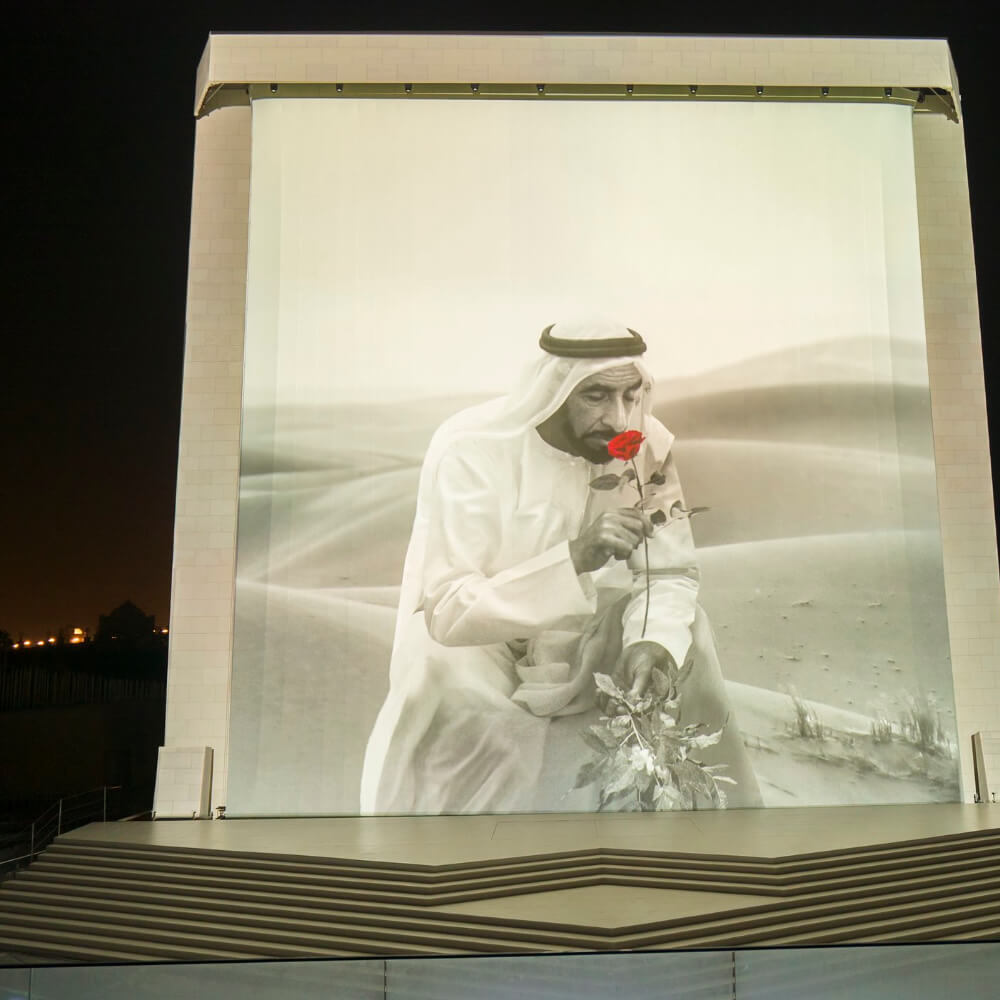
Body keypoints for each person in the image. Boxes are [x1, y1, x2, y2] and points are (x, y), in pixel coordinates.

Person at [360, 319, 761, 814]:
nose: (618, 419)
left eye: (631, 395)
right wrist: (573, 559)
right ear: (556, 389)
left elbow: (669, 573)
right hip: (472, 642)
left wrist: (649, 640)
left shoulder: (641, 446)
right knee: (439, 680)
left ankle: (709, 842)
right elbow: (444, 608)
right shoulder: (471, 448)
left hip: (575, 635)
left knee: (687, 637)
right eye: (595, 396)